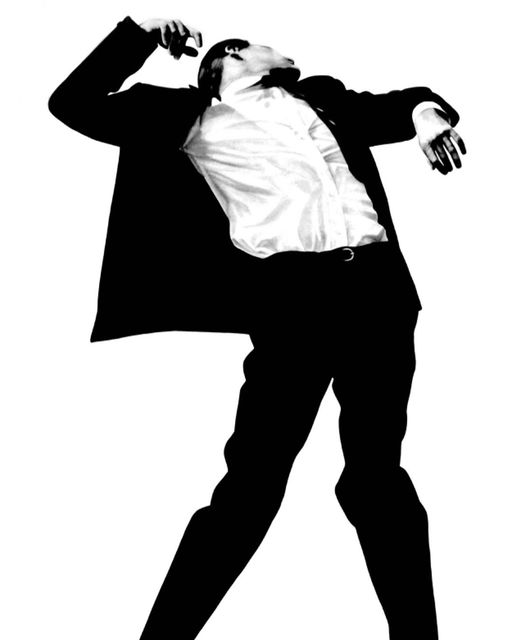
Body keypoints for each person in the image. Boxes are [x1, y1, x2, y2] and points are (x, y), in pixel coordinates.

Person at [48, 14, 465, 640]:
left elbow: (404, 103)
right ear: (233, 57)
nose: (284, 49)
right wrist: (142, 31)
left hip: (378, 294)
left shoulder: (322, 100)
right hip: (293, 301)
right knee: (251, 487)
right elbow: (72, 103)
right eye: (267, 44)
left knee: (378, 478)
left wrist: (427, 117)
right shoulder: (193, 117)